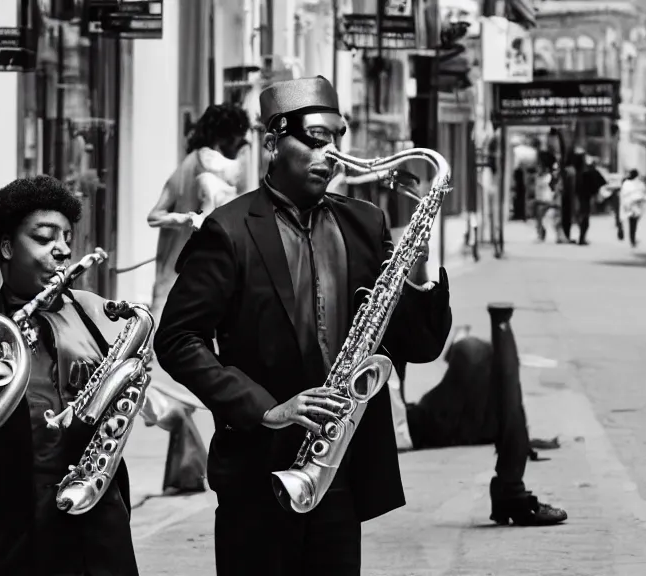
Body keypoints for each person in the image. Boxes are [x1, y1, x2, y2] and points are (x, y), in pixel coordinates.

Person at [154, 76, 453, 576]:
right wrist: (268, 409)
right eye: (314, 138)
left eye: (336, 137)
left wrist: (418, 266)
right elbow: (178, 339)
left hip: (339, 467)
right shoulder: (227, 230)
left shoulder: (366, 223)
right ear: (272, 143)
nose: (330, 152)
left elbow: (420, 345)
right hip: (257, 470)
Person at [0, 175, 140, 575]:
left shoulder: (95, 322)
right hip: (12, 550)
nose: (63, 250)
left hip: (100, 542)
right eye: (44, 238)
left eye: (67, 237)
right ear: (6, 247)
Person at [146, 102, 251, 495]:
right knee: (167, 363)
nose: (242, 143)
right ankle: (181, 438)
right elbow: (154, 215)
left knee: (201, 362)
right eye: (236, 136)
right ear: (221, 135)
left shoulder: (232, 168)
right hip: (179, 271)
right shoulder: (191, 166)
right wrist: (187, 220)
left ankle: (187, 464)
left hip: (216, 277)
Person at [389, 324, 568, 527]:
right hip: (412, 426)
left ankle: (512, 493)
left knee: (481, 356)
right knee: (477, 354)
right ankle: (512, 493)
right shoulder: (474, 415)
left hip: (420, 421)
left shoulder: (478, 414)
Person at [619, 169, 646, 248]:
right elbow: (643, 193)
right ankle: (632, 239)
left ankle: (632, 238)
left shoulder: (627, 183)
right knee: (633, 224)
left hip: (631, 206)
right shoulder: (637, 183)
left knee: (632, 223)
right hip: (634, 206)